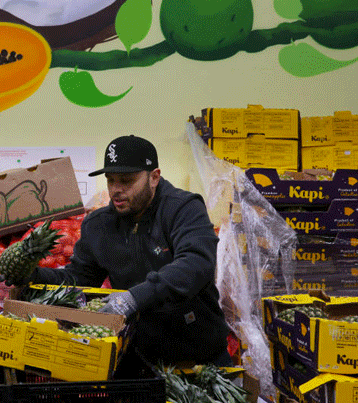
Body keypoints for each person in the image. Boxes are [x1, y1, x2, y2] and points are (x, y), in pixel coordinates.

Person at [25, 135, 232, 367]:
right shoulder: (98, 225)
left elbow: (196, 264)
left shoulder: (182, 209)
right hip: (139, 359)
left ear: (154, 177)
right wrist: (30, 275)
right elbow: (79, 279)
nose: (116, 190)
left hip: (199, 357)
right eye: (111, 180)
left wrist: (135, 297)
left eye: (127, 180)